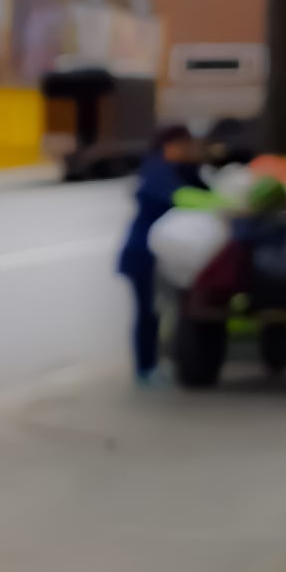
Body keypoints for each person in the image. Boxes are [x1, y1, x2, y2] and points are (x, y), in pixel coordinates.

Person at [118, 125, 206, 384]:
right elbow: (180, 197)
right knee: (148, 312)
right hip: (143, 254)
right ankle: (145, 368)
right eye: (185, 145)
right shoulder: (157, 170)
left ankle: (159, 362)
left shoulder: (184, 169)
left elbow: (203, 190)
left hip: (168, 255)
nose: (190, 150)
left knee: (167, 311)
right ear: (171, 145)